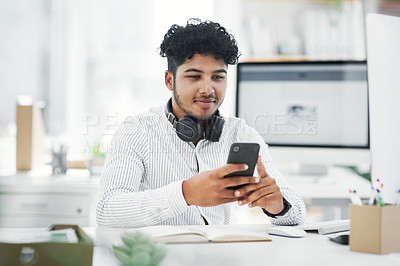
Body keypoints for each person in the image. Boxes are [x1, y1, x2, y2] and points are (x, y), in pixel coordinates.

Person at [96, 18, 306, 228]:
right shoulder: (136, 131)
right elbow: (108, 211)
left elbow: (297, 213)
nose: (207, 89)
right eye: (194, 76)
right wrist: (185, 193)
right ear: (170, 80)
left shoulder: (240, 133)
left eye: (217, 77)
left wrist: (278, 205)